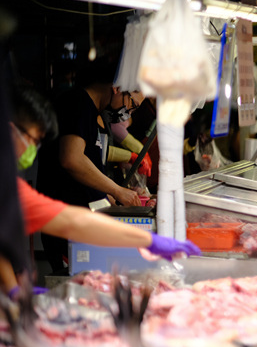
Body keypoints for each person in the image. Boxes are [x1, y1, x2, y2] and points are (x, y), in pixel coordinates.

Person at [1, 88, 199, 292]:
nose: (32, 150)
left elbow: (72, 221)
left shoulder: (13, 189)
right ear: (9, 130)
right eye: (32, 140)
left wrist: (148, 240)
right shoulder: (78, 102)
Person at [37, 58, 146, 273]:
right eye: (132, 106)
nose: (128, 114)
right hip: (65, 225)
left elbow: (90, 170)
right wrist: (116, 190)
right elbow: (72, 159)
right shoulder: (77, 103)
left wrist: (113, 196)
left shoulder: (94, 112)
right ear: (117, 88)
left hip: (79, 223)